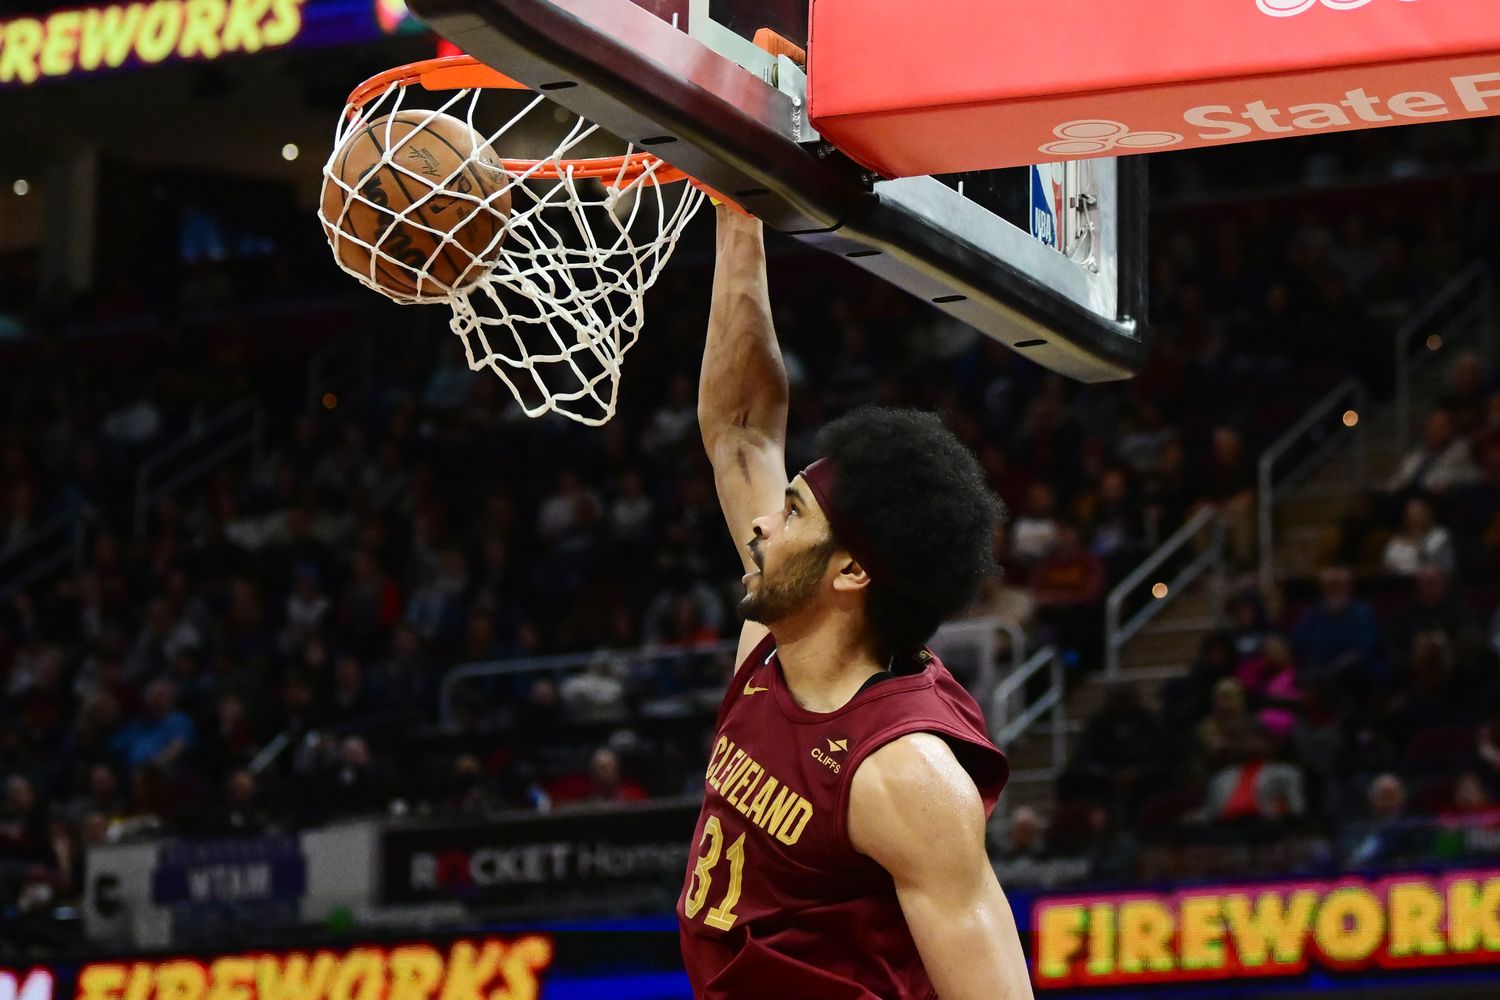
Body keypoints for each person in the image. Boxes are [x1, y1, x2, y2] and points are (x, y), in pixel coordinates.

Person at [681, 205, 1024, 999]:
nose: (762, 523)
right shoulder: (773, 647)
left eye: (794, 511)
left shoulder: (904, 772)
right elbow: (739, 432)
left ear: (851, 574)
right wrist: (737, 214)